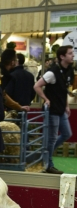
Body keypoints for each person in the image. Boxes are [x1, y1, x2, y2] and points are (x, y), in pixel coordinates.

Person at [34, 45, 75, 174]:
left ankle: (44, 153)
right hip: (51, 110)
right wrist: (45, 99)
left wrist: (66, 105)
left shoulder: (69, 71)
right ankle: (48, 165)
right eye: (70, 53)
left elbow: (64, 90)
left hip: (61, 109)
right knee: (51, 138)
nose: (73, 55)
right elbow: (37, 86)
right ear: (62, 57)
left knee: (67, 134)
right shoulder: (52, 72)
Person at [0, 48, 30, 113]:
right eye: (16, 60)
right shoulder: (2, 76)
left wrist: (19, 107)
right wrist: (19, 107)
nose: (17, 62)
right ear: (12, 62)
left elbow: (3, 94)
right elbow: (2, 95)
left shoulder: (1, 72)